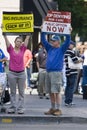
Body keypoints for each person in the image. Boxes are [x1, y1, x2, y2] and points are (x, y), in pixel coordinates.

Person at [41, 31, 71, 116]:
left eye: (54, 41)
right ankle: (53, 108)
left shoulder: (61, 49)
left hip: (56, 72)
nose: (52, 42)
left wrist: (67, 32)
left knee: (57, 91)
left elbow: (67, 41)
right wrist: (42, 31)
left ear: (58, 42)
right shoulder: (49, 48)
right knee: (50, 91)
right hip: (49, 72)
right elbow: (43, 41)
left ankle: (58, 109)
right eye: (52, 41)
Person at [3, 34, 30, 114]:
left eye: (20, 42)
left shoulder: (23, 49)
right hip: (12, 73)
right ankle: (12, 107)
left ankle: (20, 108)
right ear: (14, 42)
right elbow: (7, 43)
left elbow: (26, 41)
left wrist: (28, 36)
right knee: (13, 92)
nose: (18, 43)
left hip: (21, 73)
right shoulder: (10, 49)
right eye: (17, 41)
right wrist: (5, 35)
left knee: (21, 92)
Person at [64, 41, 83, 106]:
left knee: (68, 86)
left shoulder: (65, 51)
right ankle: (69, 101)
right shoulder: (71, 52)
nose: (73, 46)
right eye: (72, 45)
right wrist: (81, 60)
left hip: (67, 71)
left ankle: (66, 100)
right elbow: (75, 61)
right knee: (71, 87)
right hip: (72, 71)